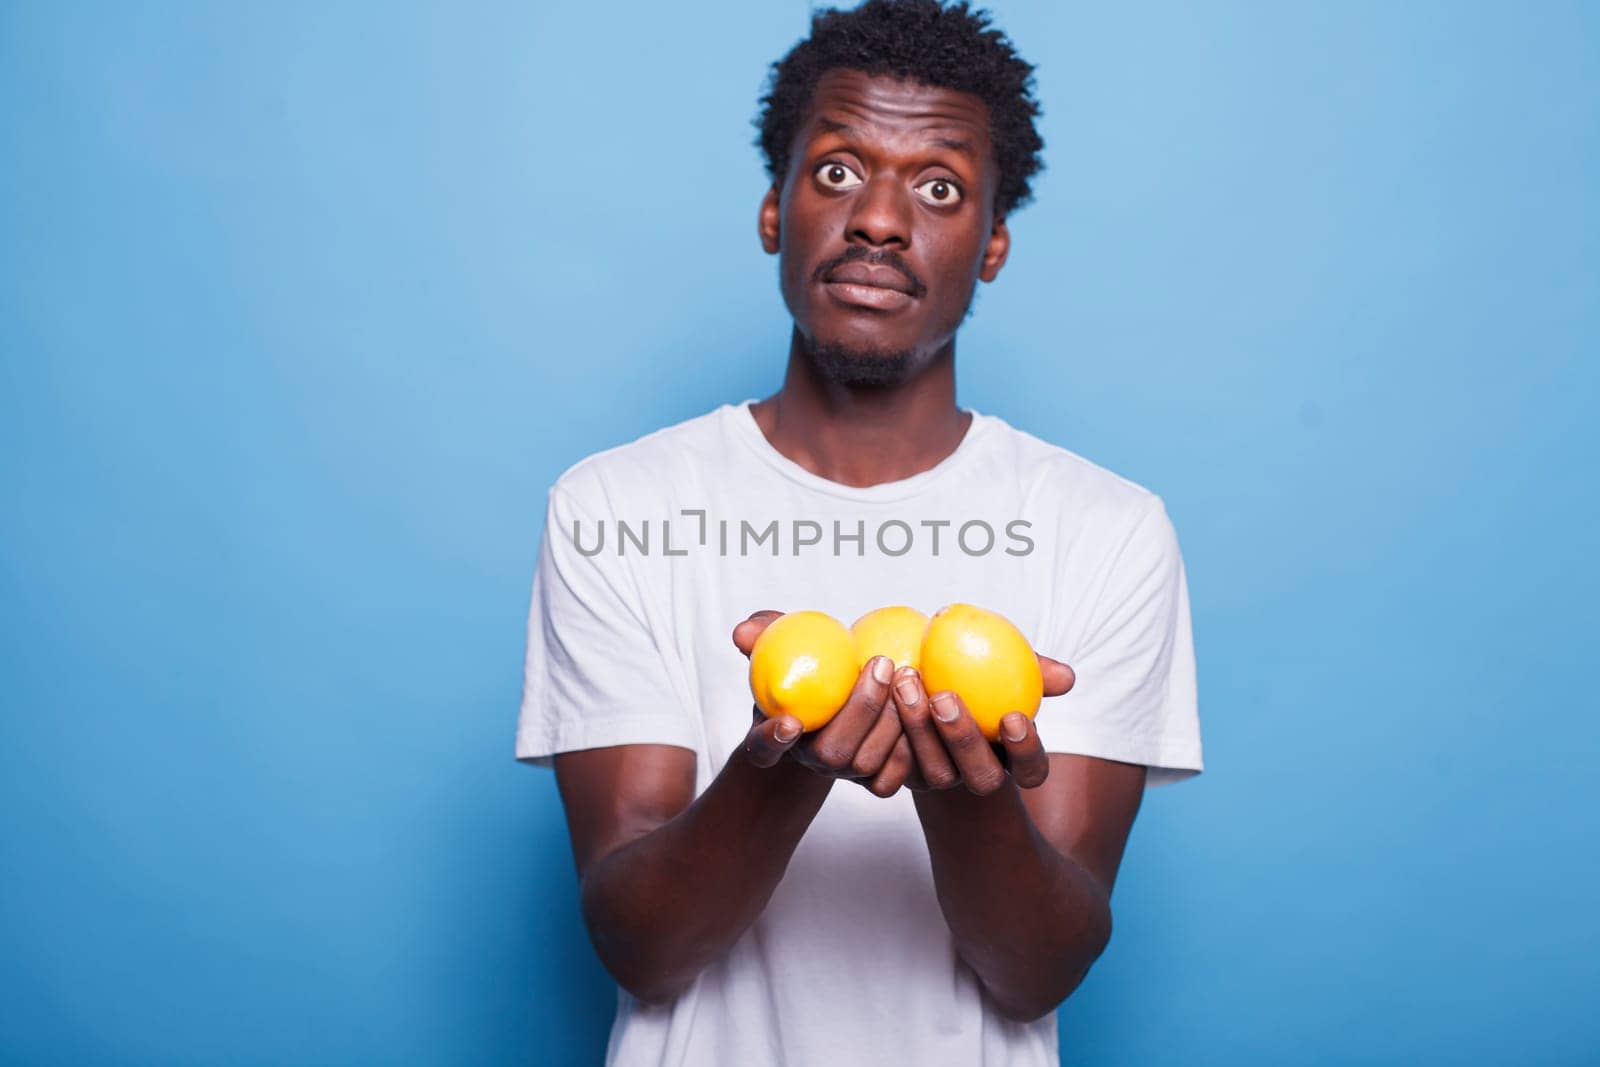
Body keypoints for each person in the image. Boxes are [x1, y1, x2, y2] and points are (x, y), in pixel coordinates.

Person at [515, 1, 1203, 1063]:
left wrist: (961, 789)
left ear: (992, 245)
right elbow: (640, 945)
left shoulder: (1105, 530)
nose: (879, 219)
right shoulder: (618, 507)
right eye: (837, 170)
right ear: (772, 210)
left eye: (939, 187)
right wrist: (778, 761)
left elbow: (1037, 970)